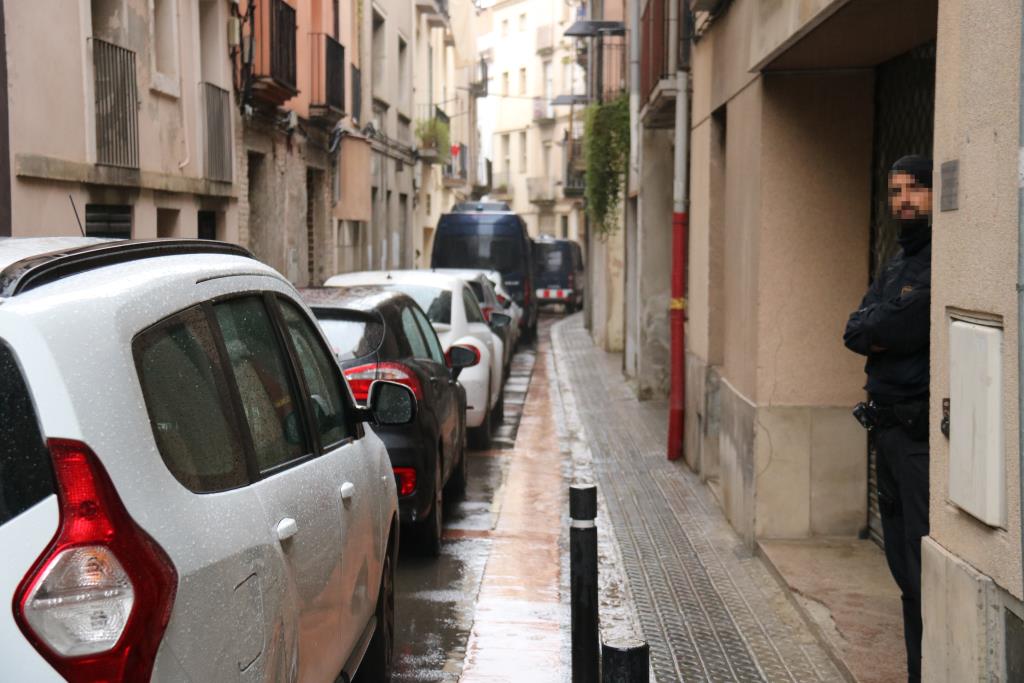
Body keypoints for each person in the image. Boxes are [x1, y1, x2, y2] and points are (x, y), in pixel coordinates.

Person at [843, 154, 932, 683]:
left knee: (921, 569)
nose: (903, 202)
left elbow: (907, 326)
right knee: (901, 567)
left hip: (917, 436)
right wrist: (883, 324)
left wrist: (881, 326)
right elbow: (855, 331)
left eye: (913, 191)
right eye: (896, 192)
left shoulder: (940, 259)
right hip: (887, 433)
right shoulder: (896, 264)